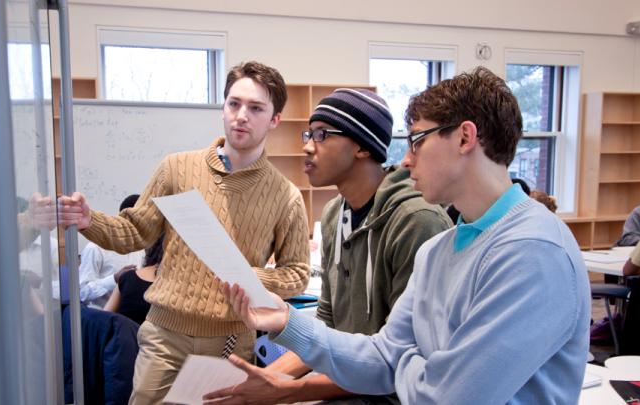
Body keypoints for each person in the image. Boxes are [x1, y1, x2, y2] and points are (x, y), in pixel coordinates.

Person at [222, 67, 591, 404]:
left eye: (417, 140)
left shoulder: (534, 251)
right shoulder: (437, 250)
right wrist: (286, 320)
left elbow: (446, 398)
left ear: (465, 137)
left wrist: (408, 363)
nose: (406, 159)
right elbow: (382, 358)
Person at [58, 61, 310, 403]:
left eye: (255, 108)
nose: (241, 115)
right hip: (165, 335)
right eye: (234, 104)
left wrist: (250, 279)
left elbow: (297, 273)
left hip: (231, 341)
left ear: (275, 119)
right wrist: (89, 220)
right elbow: (134, 231)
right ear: (223, 108)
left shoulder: (286, 195)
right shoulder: (177, 169)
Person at [206, 89, 452, 404]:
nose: (308, 146)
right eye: (309, 133)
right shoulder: (336, 214)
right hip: (346, 382)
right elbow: (326, 325)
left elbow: (404, 358)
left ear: (363, 146)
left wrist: (286, 391)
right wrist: (263, 380)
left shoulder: (416, 222)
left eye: (322, 134)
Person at [78, 194, 145, 309]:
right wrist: (114, 279)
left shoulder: (143, 249)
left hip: (131, 315)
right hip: (103, 317)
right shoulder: (94, 248)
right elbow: (82, 293)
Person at [105, 236, 164, 325]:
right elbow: (83, 291)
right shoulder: (94, 249)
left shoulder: (128, 276)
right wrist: (113, 278)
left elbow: (105, 317)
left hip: (122, 335)